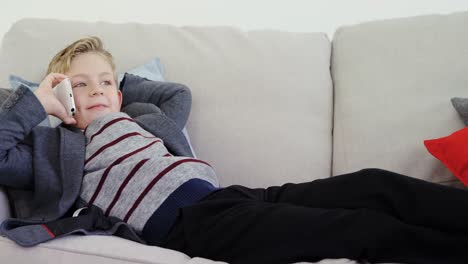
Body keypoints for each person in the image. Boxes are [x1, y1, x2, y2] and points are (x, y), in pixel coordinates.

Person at [1, 36, 468, 264]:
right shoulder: (52, 144)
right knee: (360, 228)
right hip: (194, 225)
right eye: (80, 86)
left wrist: (118, 82)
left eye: (106, 82)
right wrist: (40, 101)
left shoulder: (143, 117)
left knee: (373, 183)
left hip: (237, 197)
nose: (97, 91)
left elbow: (176, 93)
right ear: (63, 100)